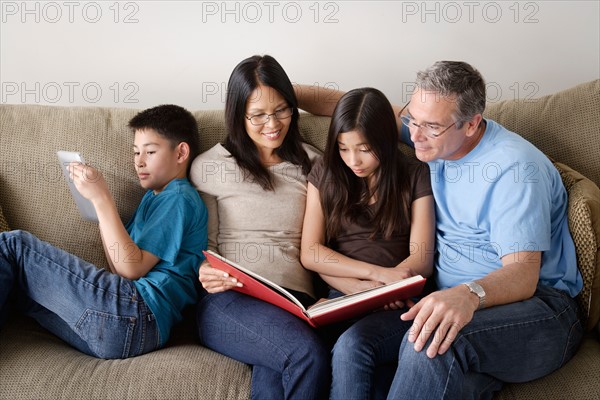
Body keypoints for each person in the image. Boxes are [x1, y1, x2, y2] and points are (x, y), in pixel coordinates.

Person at [296, 61, 584, 399]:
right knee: (359, 346)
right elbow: (346, 104)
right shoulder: (432, 134)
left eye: (429, 126)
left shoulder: (514, 170)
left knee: (430, 343)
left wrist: (467, 295)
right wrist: (279, 93)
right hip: (447, 302)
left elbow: (522, 274)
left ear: (472, 124)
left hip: (537, 309)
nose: (413, 135)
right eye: (411, 120)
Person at [0, 104, 208, 359]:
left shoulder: (178, 197)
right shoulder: (153, 198)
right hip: (123, 329)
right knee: (18, 289)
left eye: (150, 152)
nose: (139, 161)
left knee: (13, 246)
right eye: (136, 152)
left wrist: (103, 199)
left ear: (181, 153)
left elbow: (132, 269)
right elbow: (117, 268)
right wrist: (98, 211)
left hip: (137, 314)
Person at [190, 55, 329, 400]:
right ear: (238, 114)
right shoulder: (209, 166)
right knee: (305, 353)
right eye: (258, 115)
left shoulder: (314, 164)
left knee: (275, 373)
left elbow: (327, 242)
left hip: (295, 303)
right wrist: (204, 269)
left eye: (282, 110)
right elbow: (201, 247)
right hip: (230, 300)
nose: (273, 123)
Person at [299, 87, 436, 399]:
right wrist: (373, 281)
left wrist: (387, 287)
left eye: (363, 148)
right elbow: (311, 252)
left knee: (356, 350)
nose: (353, 160)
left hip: (401, 299)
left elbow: (422, 257)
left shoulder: (415, 174)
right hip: (347, 295)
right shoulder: (325, 172)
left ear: (385, 140)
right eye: (343, 148)